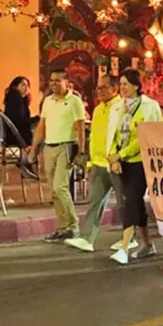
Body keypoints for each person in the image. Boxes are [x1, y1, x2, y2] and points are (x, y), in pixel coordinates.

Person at [64, 76, 126, 253]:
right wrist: (90, 159)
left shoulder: (121, 108)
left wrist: (118, 157)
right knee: (95, 202)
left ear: (115, 89)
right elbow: (97, 137)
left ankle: (130, 237)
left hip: (116, 163)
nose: (100, 91)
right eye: (98, 88)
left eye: (104, 88)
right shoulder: (98, 109)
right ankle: (87, 238)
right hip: (99, 163)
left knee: (124, 203)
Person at [108, 70, 163, 265]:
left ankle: (124, 247)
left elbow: (145, 137)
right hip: (123, 163)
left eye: (126, 84)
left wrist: (121, 154)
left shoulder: (149, 107)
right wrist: (114, 157)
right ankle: (147, 244)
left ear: (136, 86)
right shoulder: (118, 107)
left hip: (142, 162)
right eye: (121, 84)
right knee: (135, 203)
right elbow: (113, 135)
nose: (122, 88)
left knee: (130, 202)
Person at [29, 69, 87, 242]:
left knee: (61, 187)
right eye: (51, 80)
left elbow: (80, 127)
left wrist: (81, 152)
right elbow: (42, 126)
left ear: (66, 83)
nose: (53, 84)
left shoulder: (74, 101)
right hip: (49, 148)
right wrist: (33, 148)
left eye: (57, 81)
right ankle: (62, 227)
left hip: (66, 147)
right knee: (54, 191)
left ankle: (73, 225)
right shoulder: (48, 101)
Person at [3, 76, 34, 147]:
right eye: (23, 85)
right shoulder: (15, 99)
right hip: (17, 137)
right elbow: (19, 119)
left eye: (28, 86)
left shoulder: (20, 100)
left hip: (15, 136)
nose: (26, 88)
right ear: (15, 86)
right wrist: (35, 120)